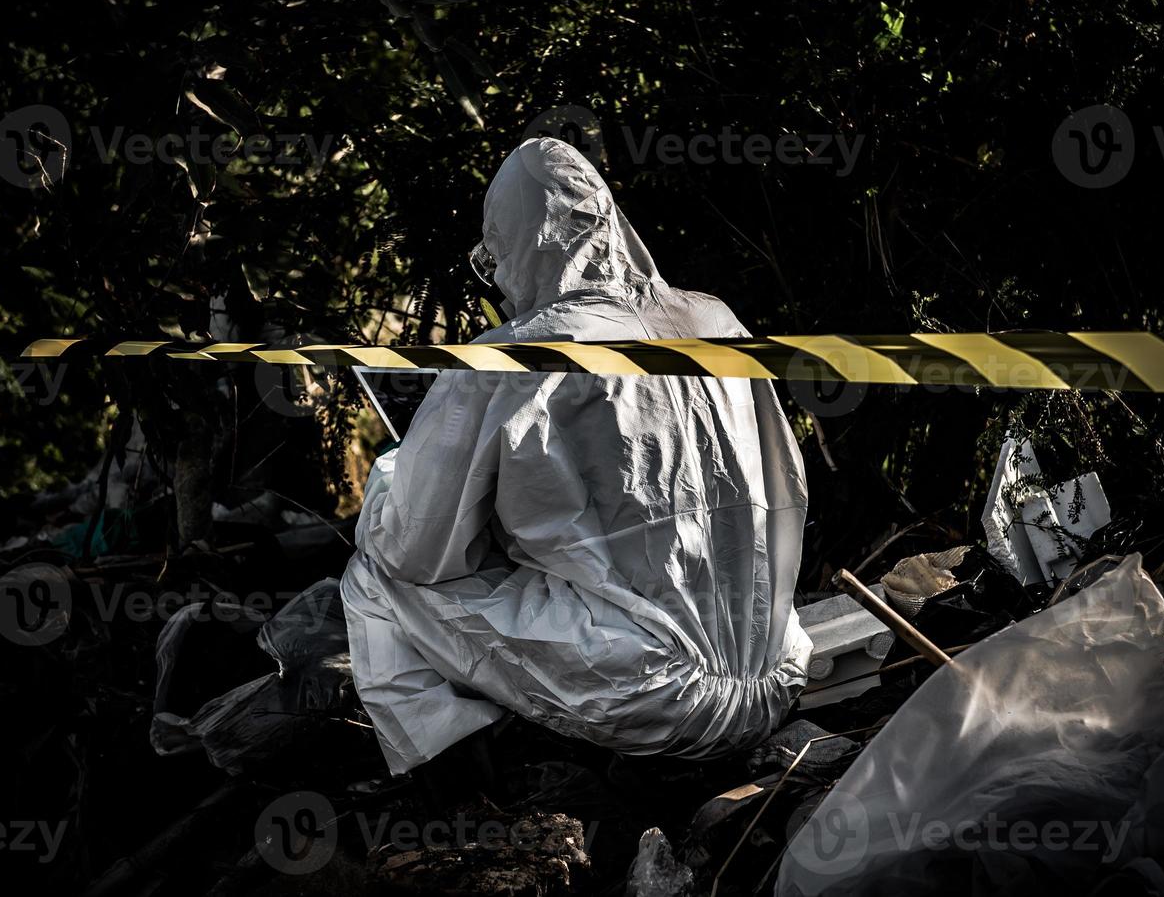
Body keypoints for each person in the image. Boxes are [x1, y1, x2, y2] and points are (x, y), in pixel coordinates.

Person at [341, 137, 811, 775]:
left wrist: (392, 478)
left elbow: (413, 547)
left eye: (497, 256)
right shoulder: (714, 320)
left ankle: (456, 771)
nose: (500, 278)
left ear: (523, 242)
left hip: (658, 697)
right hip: (776, 671)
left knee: (375, 575)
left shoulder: (517, 354)